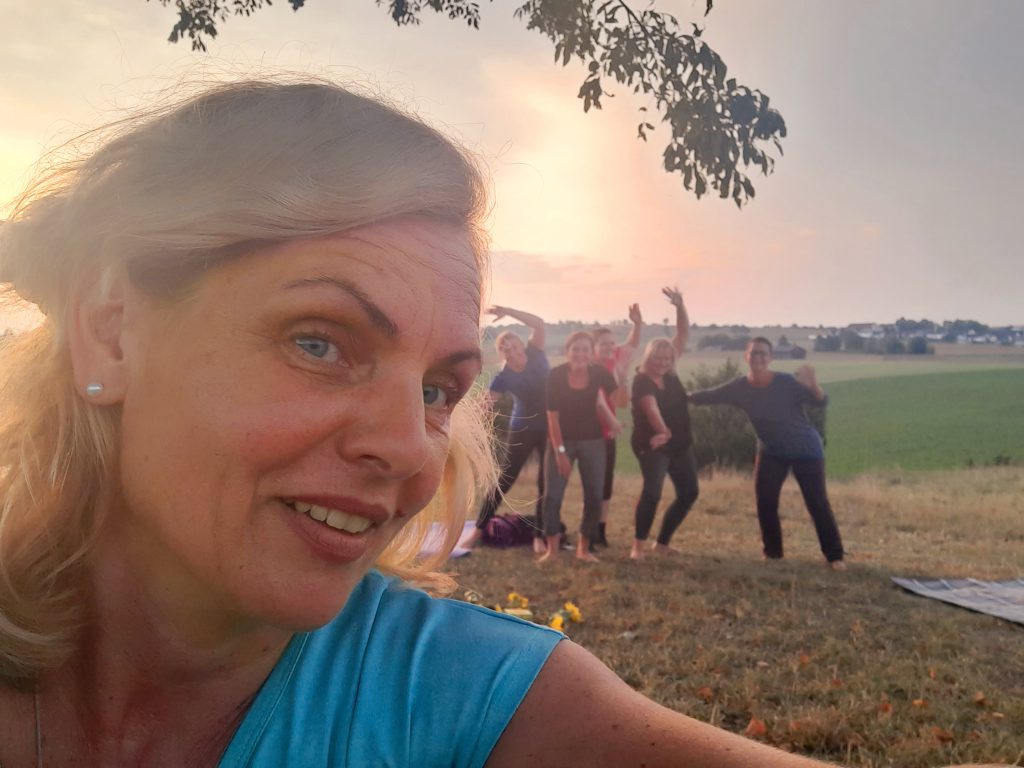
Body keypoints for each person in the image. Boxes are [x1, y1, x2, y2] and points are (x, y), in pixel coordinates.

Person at [2, 77, 979, 768]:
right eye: (320, 342)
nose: (408, 452)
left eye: (439, 390)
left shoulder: (465, 694)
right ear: (109, 331)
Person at [689, 337, 847, 570]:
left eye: (763, 353)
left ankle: (834, 556)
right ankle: (773, 553)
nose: (758, 357)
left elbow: (820, 402)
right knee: (765, 501)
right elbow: (711, 395)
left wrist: (814, 386)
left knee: (817, 503)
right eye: (754, 353)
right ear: (747, 357)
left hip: (804, 448)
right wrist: (680, 396)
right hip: (771, 451)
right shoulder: (740, 387)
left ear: (770, 358)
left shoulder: (785, 382)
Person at [458, 306, 549, 553]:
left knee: (547, 482)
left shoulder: (536, 353)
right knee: (504, 481)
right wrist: (460, 424)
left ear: (522, 345)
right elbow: (485, 404)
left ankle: (540, 536)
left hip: (550, 427)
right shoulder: (504, 376)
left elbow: (538, 322)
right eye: (506, 350)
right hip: (522, 429)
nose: (513, 352)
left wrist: (508, 311)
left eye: (515, 346)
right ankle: (478, 531)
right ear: (502, 354)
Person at [538, 331, 622, 564]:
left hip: (593, 441)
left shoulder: (600, 373)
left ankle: (583, 548)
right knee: (553, 496)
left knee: (595, 495)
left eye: (586, 349)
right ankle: (552, 550)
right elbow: (552, 418)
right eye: (576, 349)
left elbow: (621, 401)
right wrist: (560, 452)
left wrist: (621, 376)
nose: (580, 354)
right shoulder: (555, 375)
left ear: (592, 353)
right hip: (560, 441)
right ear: (567, 351)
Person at [629, 287, 698, 561]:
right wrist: (663, 432)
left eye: (667, 359)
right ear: (649, 358)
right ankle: (638, 546)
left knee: (689, 492)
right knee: (652, 493)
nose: (662, 363)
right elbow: (650, 408)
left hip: (679, 442)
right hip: (652, 444)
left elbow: (683, 334)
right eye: (657, 358)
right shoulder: (642, 381)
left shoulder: (671, 374)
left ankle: (662, 543)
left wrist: (680, 306)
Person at [592, 303, 643, 547]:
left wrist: (637, 323)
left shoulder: (616, 361)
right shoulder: (587, 365)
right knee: (592, 482)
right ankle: (588, 530)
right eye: (604, 344)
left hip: (608, 432)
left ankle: (600, 530)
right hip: (585, 432)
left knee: (606, 482)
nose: (610, 347)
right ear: (593, 347)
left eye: (612, 344)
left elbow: (632, 344)